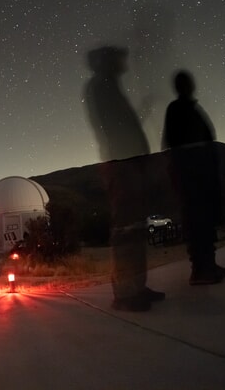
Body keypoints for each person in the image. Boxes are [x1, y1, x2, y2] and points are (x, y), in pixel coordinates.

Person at [85, 46, 165, 311]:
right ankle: (126, 293)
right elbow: (113, 126)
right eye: (119, 58)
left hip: (128, 161)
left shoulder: (108, 86)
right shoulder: (101, 86)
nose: (124, 62)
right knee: (126, 227)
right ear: (108, 61)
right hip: (121, 163)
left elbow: (121, 123)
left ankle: (136, 287)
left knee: (135, 225)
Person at [162, 70, 225, 284]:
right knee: (197, 220)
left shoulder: (189, 108)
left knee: (205, 219)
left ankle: (208, 265)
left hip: (200, 169)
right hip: (191, 172)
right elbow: (172, 145)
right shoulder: (176, 109)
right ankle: (201, 270)